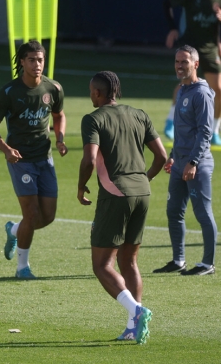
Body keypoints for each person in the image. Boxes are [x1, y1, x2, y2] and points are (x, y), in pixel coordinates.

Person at [77, 71, 167, 344]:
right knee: (129, 261)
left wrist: (81, 186)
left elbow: (90, 159)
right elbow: (162, 156)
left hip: (115, 194)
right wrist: (144, 179)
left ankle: (136, 311)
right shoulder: (139, 114)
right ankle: (132, 328)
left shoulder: (93, 119)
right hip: (142, 192)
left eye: (91, 91)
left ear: (97, 93)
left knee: (102, 265)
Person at [0, 40, 68, 279]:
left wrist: (60, 139)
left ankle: (14, 229)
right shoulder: (9, 92)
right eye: (31, 60)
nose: (36, 65)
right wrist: (6, 149)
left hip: (45, 158)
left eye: (40, 60)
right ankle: (22, 267)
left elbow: (59, 115)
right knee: (31, 214)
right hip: (20, 160)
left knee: (48, 216)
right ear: (22, 62)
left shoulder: (53, 88)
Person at [154, 45, 217, 276]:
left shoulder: (201, 93)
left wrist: (193, 162)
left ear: (196, 64)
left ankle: (208, 264)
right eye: (177, 61)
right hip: (180, 163)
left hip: (196, 165)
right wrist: (173, 155)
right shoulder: (182, 89)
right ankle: (178, 260)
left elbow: (205, 132)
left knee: (202, 213)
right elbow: (182, 131)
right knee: (173, 212)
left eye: (185, 62)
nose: (179, 66)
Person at [163, 0, 221, 145]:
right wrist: (173, 28)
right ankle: (171, 121)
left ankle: (214, 131)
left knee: (218, 89)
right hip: (190, 47)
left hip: (210, 48)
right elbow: (167, 3)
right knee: (186, 84)